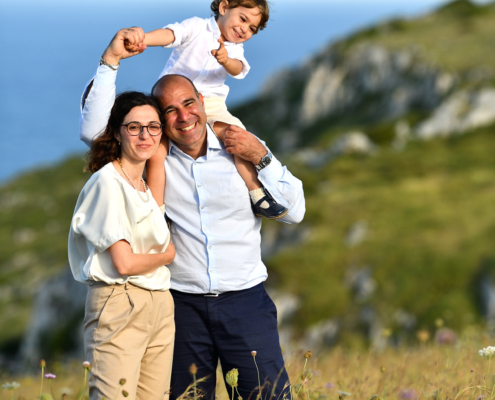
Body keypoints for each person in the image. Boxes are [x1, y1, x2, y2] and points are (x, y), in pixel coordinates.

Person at [79, 26, 306, 400]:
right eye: (169, 110)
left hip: (245, 303)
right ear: (161, 119)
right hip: (179, 308)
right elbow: (94, 134)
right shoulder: (156, 155)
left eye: (188, 103)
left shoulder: (241, 145)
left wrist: (261, 157)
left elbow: (294, 211)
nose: (184, 116)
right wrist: (111, 61)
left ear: (202, 100)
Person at [123, 0, 288, 220]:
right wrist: (144, 39)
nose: (244, 29)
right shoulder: (197, 26)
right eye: (242, 18)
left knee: (236, 135)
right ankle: (157, 212)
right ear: (223, 8)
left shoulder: (235, 49)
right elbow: (172, 34)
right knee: (158, 150)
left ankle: (257, 194)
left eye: (252, 29)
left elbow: (239, 69)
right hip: (170, 100)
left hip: (210, 103)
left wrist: (225, 60)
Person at [69, 91, 177, 400]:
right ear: (117, 131)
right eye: (134, 127)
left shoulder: (144, 185)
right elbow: (125, 263)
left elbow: (159, 151)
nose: (145, 135)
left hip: (159, 305)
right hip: (120, 301)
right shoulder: (107, 183)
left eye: (153, 126)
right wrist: (167, 255)